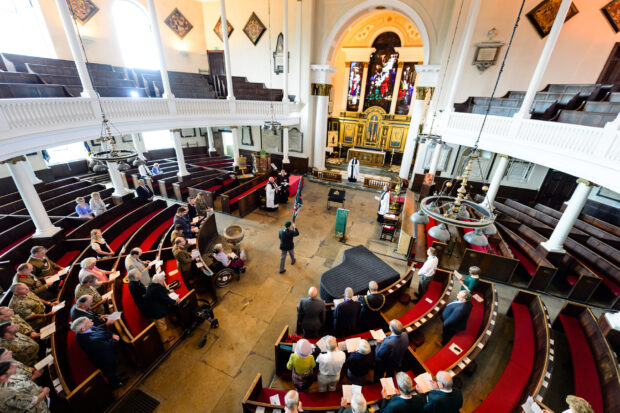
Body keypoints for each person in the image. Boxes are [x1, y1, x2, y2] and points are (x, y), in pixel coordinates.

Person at [71, 317, 124, 389]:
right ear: (83, 329)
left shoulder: (84, 329)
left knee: (113, 370)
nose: (91, 320)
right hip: (104, 358)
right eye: (88, 321)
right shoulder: (89, 341)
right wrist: (115, 339)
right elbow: (106, 346)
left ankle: (116, 377)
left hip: (105, 351)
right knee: (110, 371)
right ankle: (116, 384)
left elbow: (100, 330)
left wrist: (111, 335)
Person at [142, 273, 178, 344]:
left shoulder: (153, 283)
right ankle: (165, 339)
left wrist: (168, 291)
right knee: (162, 326)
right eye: (163, 279)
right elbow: (165, 298)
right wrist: (175, 302)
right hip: (155, 311)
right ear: (158, 281)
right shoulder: (157, 288)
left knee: (162, 324)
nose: (164, 280)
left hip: (151, 305)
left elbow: (161, 290)